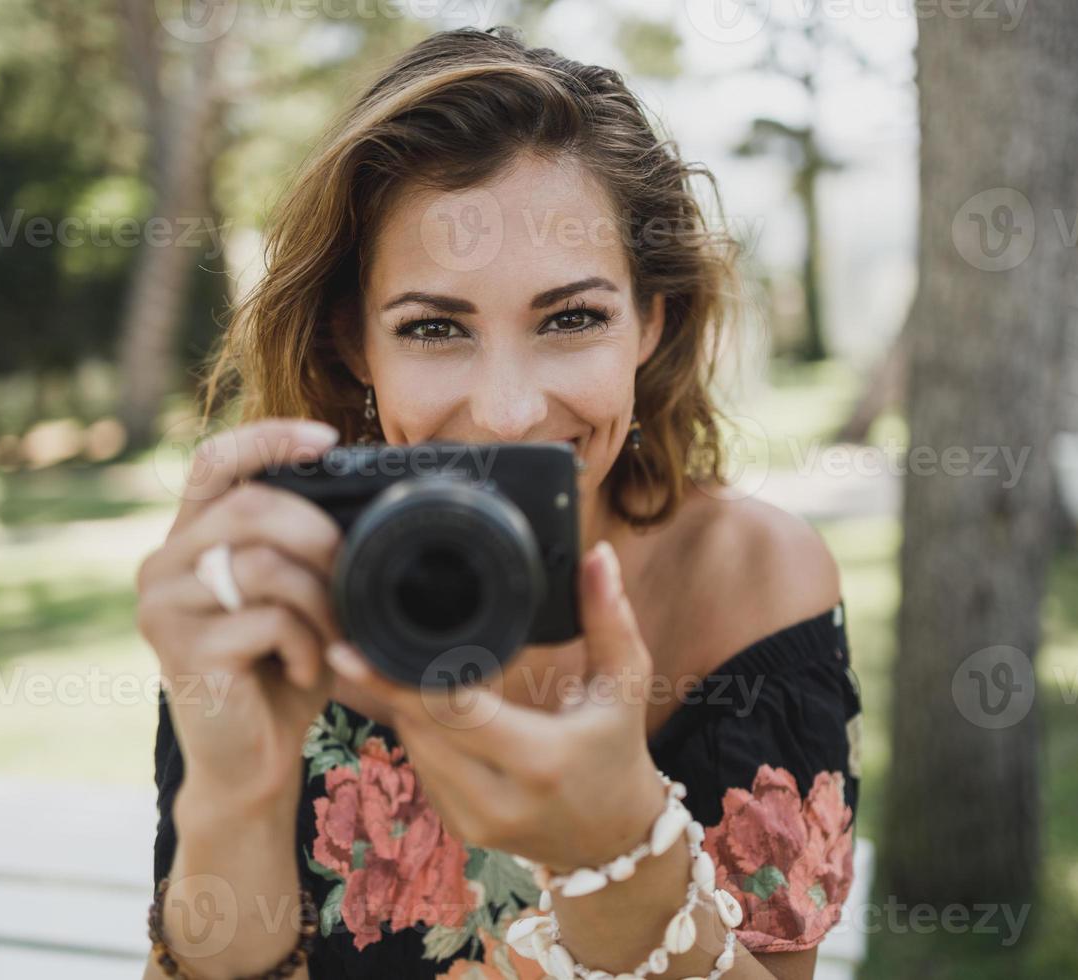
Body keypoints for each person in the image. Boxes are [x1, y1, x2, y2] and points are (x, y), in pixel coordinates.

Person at [136, 25, 861, 980]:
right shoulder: (281, 577)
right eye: (434, 327)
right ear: (358, 344)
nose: (510, 412)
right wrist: (230, 792)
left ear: (652, 320)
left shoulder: (752, 583)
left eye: (572, 318)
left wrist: (622, 850)